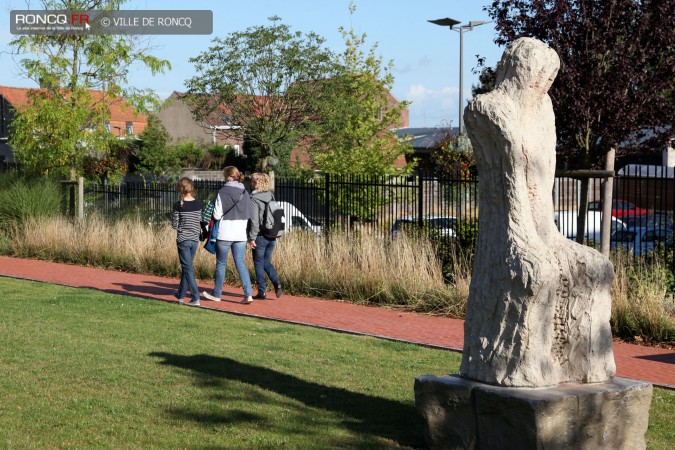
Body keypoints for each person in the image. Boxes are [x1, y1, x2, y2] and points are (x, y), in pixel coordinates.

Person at [202, 166, 254, 304]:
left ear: (229, 177)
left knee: (221, 264)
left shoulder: (223, 191)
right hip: (240, 234)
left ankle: (217, 294)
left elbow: (217, 214)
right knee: (240, 263)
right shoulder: (245, 191)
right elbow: (249, 214)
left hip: (225, 233)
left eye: (225, 175)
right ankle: (248, 294)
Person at [248, 172, 283, 300]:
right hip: (272, 235)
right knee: (266, 261)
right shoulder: (270, 196)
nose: (251, 184)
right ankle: (276, 283)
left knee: (258, 263)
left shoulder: (254, 199)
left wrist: (252, 237)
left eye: (252, 181)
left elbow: (254, 221)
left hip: (260, 235)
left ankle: (261, 292)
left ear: (257, 183)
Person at [171, 177, 203, 306]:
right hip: (194, 239)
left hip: (183, 239)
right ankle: (181, 294)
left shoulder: (178, 205)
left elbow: (175, 224)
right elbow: (199, 220)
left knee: (187, 268)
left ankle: (195, 296)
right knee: (187, 268)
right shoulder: (198, 203)